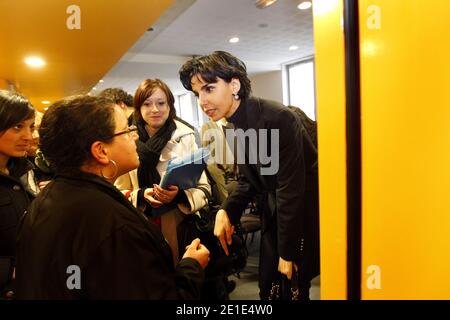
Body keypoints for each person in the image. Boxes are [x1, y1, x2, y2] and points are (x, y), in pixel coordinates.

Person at [15, 95, 209, 299]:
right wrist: (192, 267)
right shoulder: (114, 224)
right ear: (100, 151)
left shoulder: (50, 197)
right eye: (126, 130)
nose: (135, 137)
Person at [179, 51, 319, 300]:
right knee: (268, 289)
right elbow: (249, 178)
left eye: (209, 89)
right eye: (197, 93)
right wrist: (226, 209)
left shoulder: (278, 118)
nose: (202, 101)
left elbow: (290, 188)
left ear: (234, 85)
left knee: (292, 289)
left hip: (299, 216)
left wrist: (287, 253)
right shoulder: (233, 123)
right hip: (275, 213)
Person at [114, 79, 210, 266]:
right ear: (138, 108)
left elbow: (204, 188)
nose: (155, 110)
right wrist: (141, 195)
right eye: (147, 104)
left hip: (178, 221)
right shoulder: (126, 139)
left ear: (170, 105)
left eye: (161, 103)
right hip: (139, 222)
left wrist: (180, 195)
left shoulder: (186, 135)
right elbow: (117, 191)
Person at [0, 90, 35, 299]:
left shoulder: (20, 169)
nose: (28, 137)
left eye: (30, 127)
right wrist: (11, 268)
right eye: (17, 127)